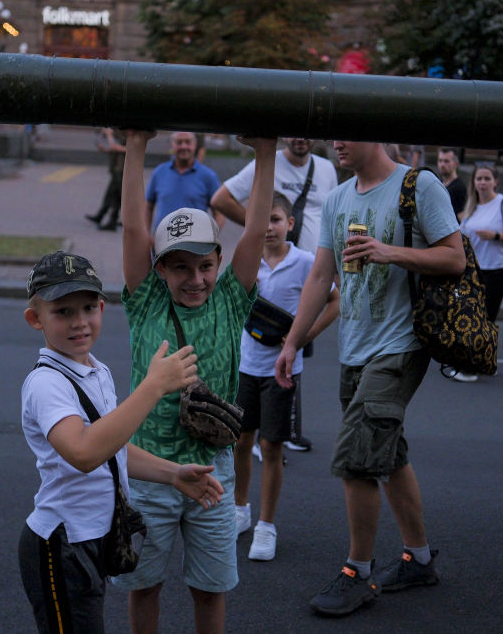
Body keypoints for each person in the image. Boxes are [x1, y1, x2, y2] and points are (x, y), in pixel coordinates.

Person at [273, 140, 465, 617]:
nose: (336, 142)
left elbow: (455, 257)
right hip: (354, 349)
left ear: (374, 134)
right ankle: (418, 559)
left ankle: (357, 572)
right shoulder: (338, 198)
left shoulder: (418, 185)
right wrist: (293, 341)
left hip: (401, 346)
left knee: (358, 459)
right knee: (388, 452)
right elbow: (321, 275)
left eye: (347, 132)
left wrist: (390, 252)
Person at [112, 129, 277, 633]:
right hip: (150, 475)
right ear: (159, 269)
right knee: (145, 586)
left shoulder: (230, 300)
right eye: (180, 267)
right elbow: (132, 230)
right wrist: (135, 146)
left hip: (212, 473)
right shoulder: (146, 302)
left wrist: (266, 153)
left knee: (210, 589)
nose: (196, 278)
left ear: (219, 264)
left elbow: (253, 233)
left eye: (205, 266)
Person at [17, 251, 225, 634]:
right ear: (36, 319)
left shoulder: (95, 370)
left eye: (87, 308)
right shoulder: (47, 383)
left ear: (101, 307)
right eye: (62, 312)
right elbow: (83, 453)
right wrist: (153, 386)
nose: (79, 322)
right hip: (62, 544)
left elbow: (110, 447)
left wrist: (173, 473)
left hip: (93, 537)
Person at [210, 136, 339, 451]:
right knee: (263, 349)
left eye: (307, 133)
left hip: (309, 273)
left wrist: (332, 263)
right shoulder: (266, 164)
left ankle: (284, 429)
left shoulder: (325, 169)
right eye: (293, 132)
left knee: (292, 357)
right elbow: (221, 198)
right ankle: (260, 430)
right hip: (269, 273)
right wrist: (261, 230)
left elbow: (331, 218)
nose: (300, 139)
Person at [233, 193, 340, 560]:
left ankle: (267, 525)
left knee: (271, 447)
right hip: (245, 366)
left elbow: (335, 299)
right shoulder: (246, 262)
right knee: (240, 442)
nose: (268, 228)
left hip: (283, 370)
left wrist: (303, 336)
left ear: (290, 224)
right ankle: (239, 510)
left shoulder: (305, 262)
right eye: (261, 220)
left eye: (275, 219)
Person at [453, 162, 503, 382]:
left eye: (486, 178)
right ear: (473, 182)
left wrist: (495, 236)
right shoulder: (471, 207)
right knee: (475, 316)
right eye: (479, 179)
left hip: (498, 269)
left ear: (495, 181)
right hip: (474, 269)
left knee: (483, 317)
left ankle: (472, 366)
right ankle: (484, 362)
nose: (482, 183)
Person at [145, 131, 221, 230]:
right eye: (179, 142)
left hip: (195, 243)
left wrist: (211, 238)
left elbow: (219, 213)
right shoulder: (159, 172)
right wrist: (146, 234)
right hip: (161, 243)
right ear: (171, 145)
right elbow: (148, 207)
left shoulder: (209, 176)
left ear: (195, 144)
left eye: (188, 142)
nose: (183, 146)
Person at [85, 127, 126, 230]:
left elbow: (121, 148)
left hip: (121, 169)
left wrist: (109, 135)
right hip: (117, 169)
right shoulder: (120, 135)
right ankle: (104, 217)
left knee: (117, 196)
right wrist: (105, 150)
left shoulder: (127, 135)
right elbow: (115, 149)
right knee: (112, 195)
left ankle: (112, 220)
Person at [435, 147, 467, 220]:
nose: (442, 164)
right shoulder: (438, 183)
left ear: (456, 164)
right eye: (440, 161)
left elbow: (461, 216)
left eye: (446, 161)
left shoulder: (459, 187)